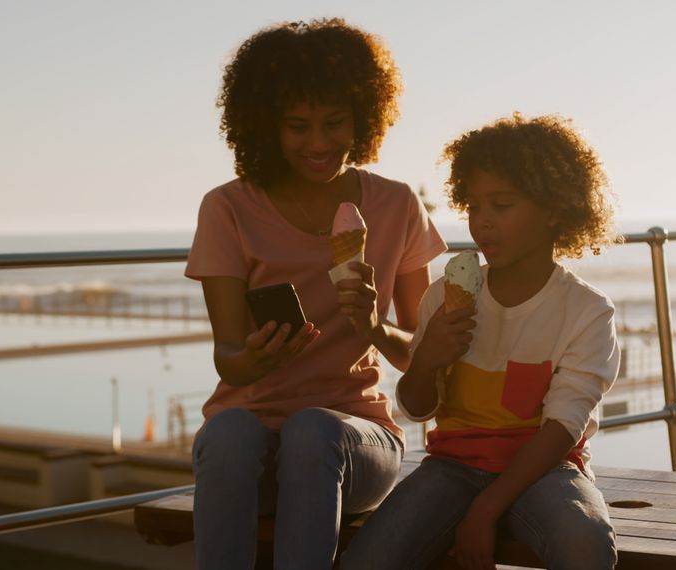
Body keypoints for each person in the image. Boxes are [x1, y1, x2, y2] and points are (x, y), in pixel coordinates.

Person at [184, 18, 447, 570]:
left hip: (354, 443)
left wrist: (375, 327)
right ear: (265, 126)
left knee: (312, 429)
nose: (320, 143)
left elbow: (424, 354)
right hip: (250, 451)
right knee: (229, 429)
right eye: (297, 126)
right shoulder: (227, 208)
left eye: (335, 123)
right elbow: (228, 358)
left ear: (364, 117)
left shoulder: (397, 205)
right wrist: (252, 360)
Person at [340, 113, 621, 570]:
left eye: (501, 205)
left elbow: (562, 428)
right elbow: (415, 407)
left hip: (544, 471)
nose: (481, 223)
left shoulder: (587, 311)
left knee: (584, 545)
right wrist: (426, 361)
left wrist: (485, 509)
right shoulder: (446, 296)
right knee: (367, 560)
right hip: (452, 466)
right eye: (474, 206)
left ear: (554, 210)